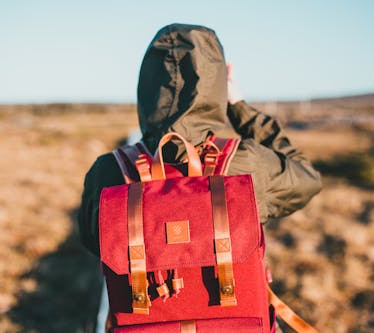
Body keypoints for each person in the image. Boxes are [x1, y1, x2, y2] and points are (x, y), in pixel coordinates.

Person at [78, 23, 322, 332]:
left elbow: (92, 242)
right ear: (218, 84)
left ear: (148, 88)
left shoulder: (109, 171)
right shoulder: (246, 162)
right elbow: (307, 177)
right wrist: (240, 107)